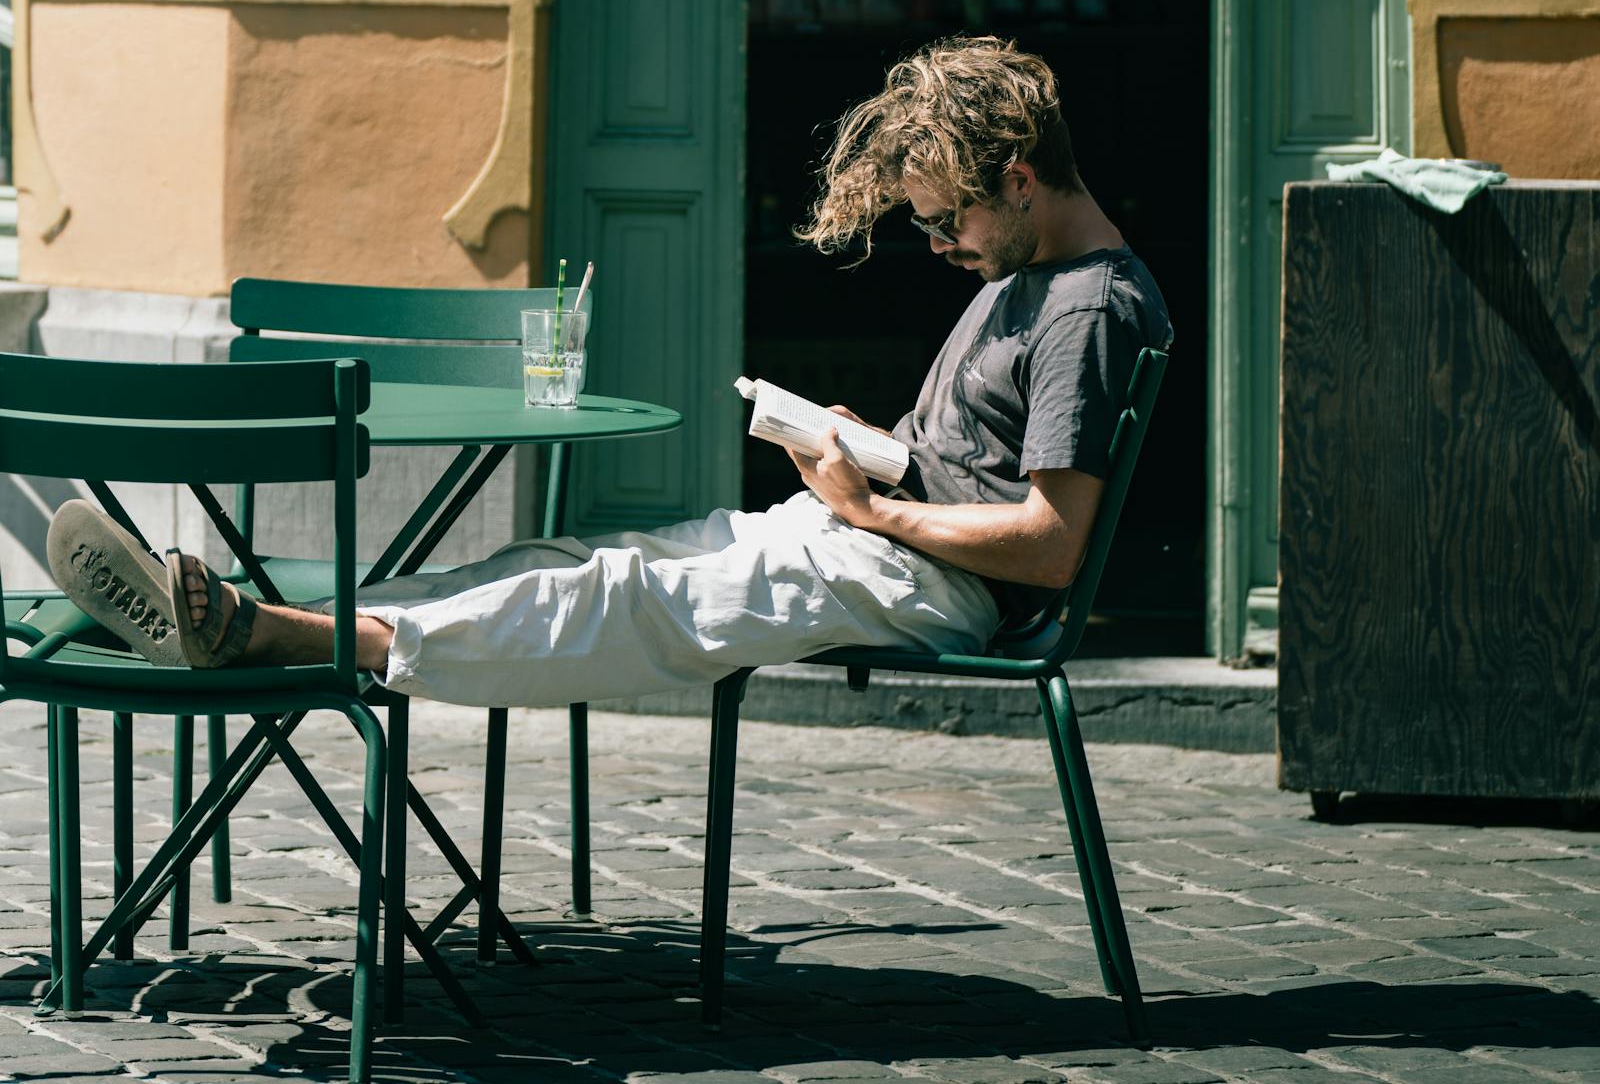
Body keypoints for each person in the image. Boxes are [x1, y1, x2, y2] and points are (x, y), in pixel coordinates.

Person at [49, 35, 1172, 701]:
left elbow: (1052, 543)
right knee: (570, 556)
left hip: (923, 582)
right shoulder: (1020, 278)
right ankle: (250, 619)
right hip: (864, 537)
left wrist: (876, 511)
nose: (939, 250)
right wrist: (871, 452)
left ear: (1020, 180)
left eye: (946, 223)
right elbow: (975, 460)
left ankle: (264, 635)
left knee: (618, 600)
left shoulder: (1085, 308)